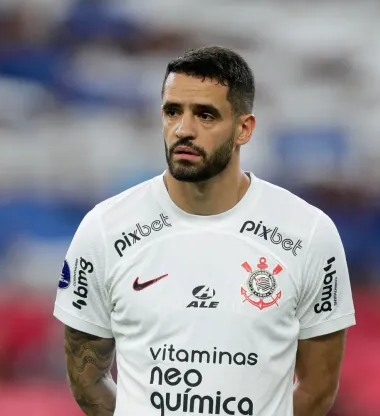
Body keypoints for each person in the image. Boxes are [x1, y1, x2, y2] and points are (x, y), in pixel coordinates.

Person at [53, 45, 355, 416]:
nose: (183, 129)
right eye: (172, 112)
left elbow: (318, 387)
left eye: (206, 115)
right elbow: (86, 377)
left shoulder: (308, 234)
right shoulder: (104, 229)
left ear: (244, 129)